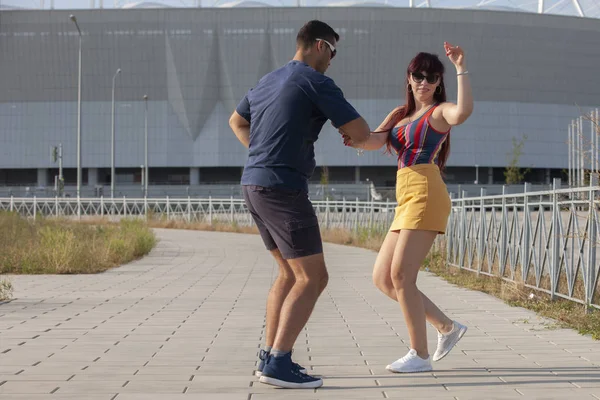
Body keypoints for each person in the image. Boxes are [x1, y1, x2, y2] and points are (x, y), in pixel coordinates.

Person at [228, 20, 371, 388]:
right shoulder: (315, 81)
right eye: (334, 52)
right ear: (320, 45)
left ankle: (268, 356)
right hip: (283, 190)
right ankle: (279, 363)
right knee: (314, 277)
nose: (333, 61)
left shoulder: (267, 80)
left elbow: (236, 121)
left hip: (254, 185)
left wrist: (262, 153)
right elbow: (361, 134)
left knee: (289, 274)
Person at [340, 42, 474, 373]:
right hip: (406, 196)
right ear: (409, 77)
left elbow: (463, 113)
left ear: (438, 81)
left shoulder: (439, 112)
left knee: (401, 275)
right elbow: (374, 140)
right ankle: (448, 327)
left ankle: (420, 354)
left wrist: (460, 66)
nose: (424, 82)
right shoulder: (399, 115)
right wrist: (354, 138)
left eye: (431, 77)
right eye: (418, 75)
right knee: (383, 279)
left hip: (427, 192)